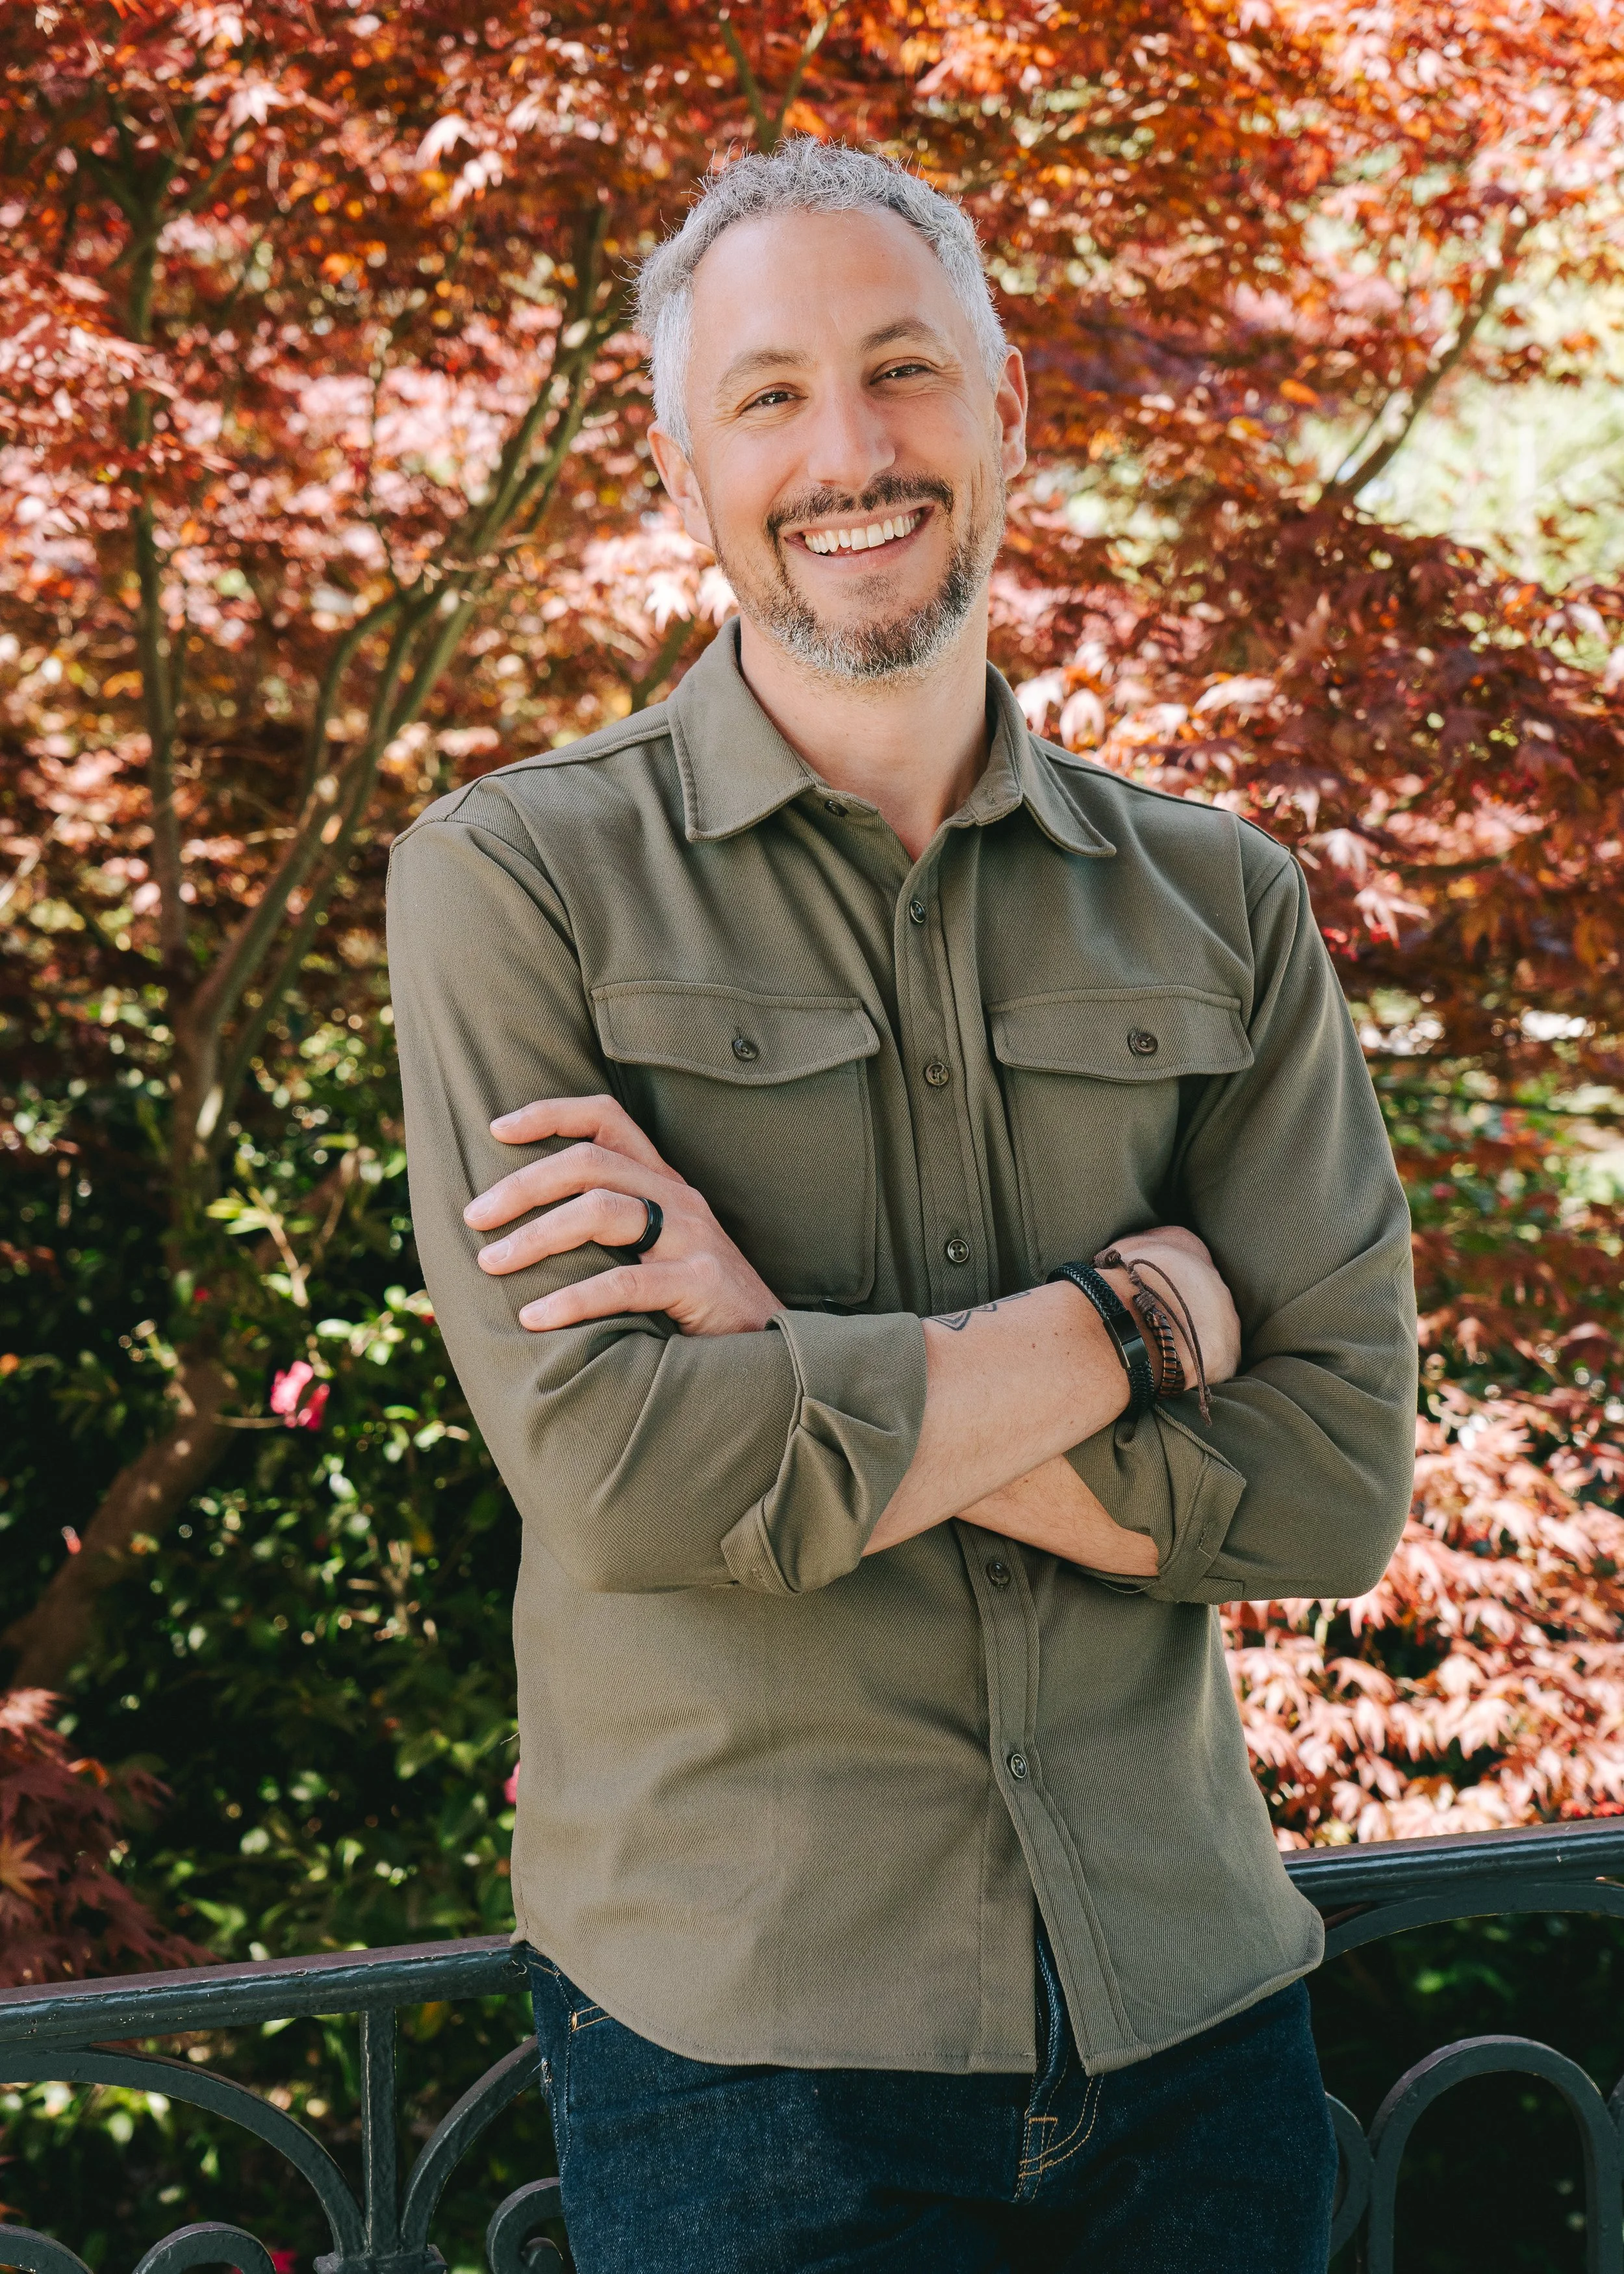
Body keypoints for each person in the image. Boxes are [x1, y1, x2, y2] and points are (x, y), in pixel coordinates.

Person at [387, 140, 1416, 2274]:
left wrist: (772, 1356)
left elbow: (1327, 1488)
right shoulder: (514, 885)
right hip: (748, 2042)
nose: (846, 450)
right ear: (681, 469)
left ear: (1009, 412)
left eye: (901, 372)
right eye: (767, 394)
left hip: (1193, 2009)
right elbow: (619, 1476)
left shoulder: (1220, 904)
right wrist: (1126, 1328)